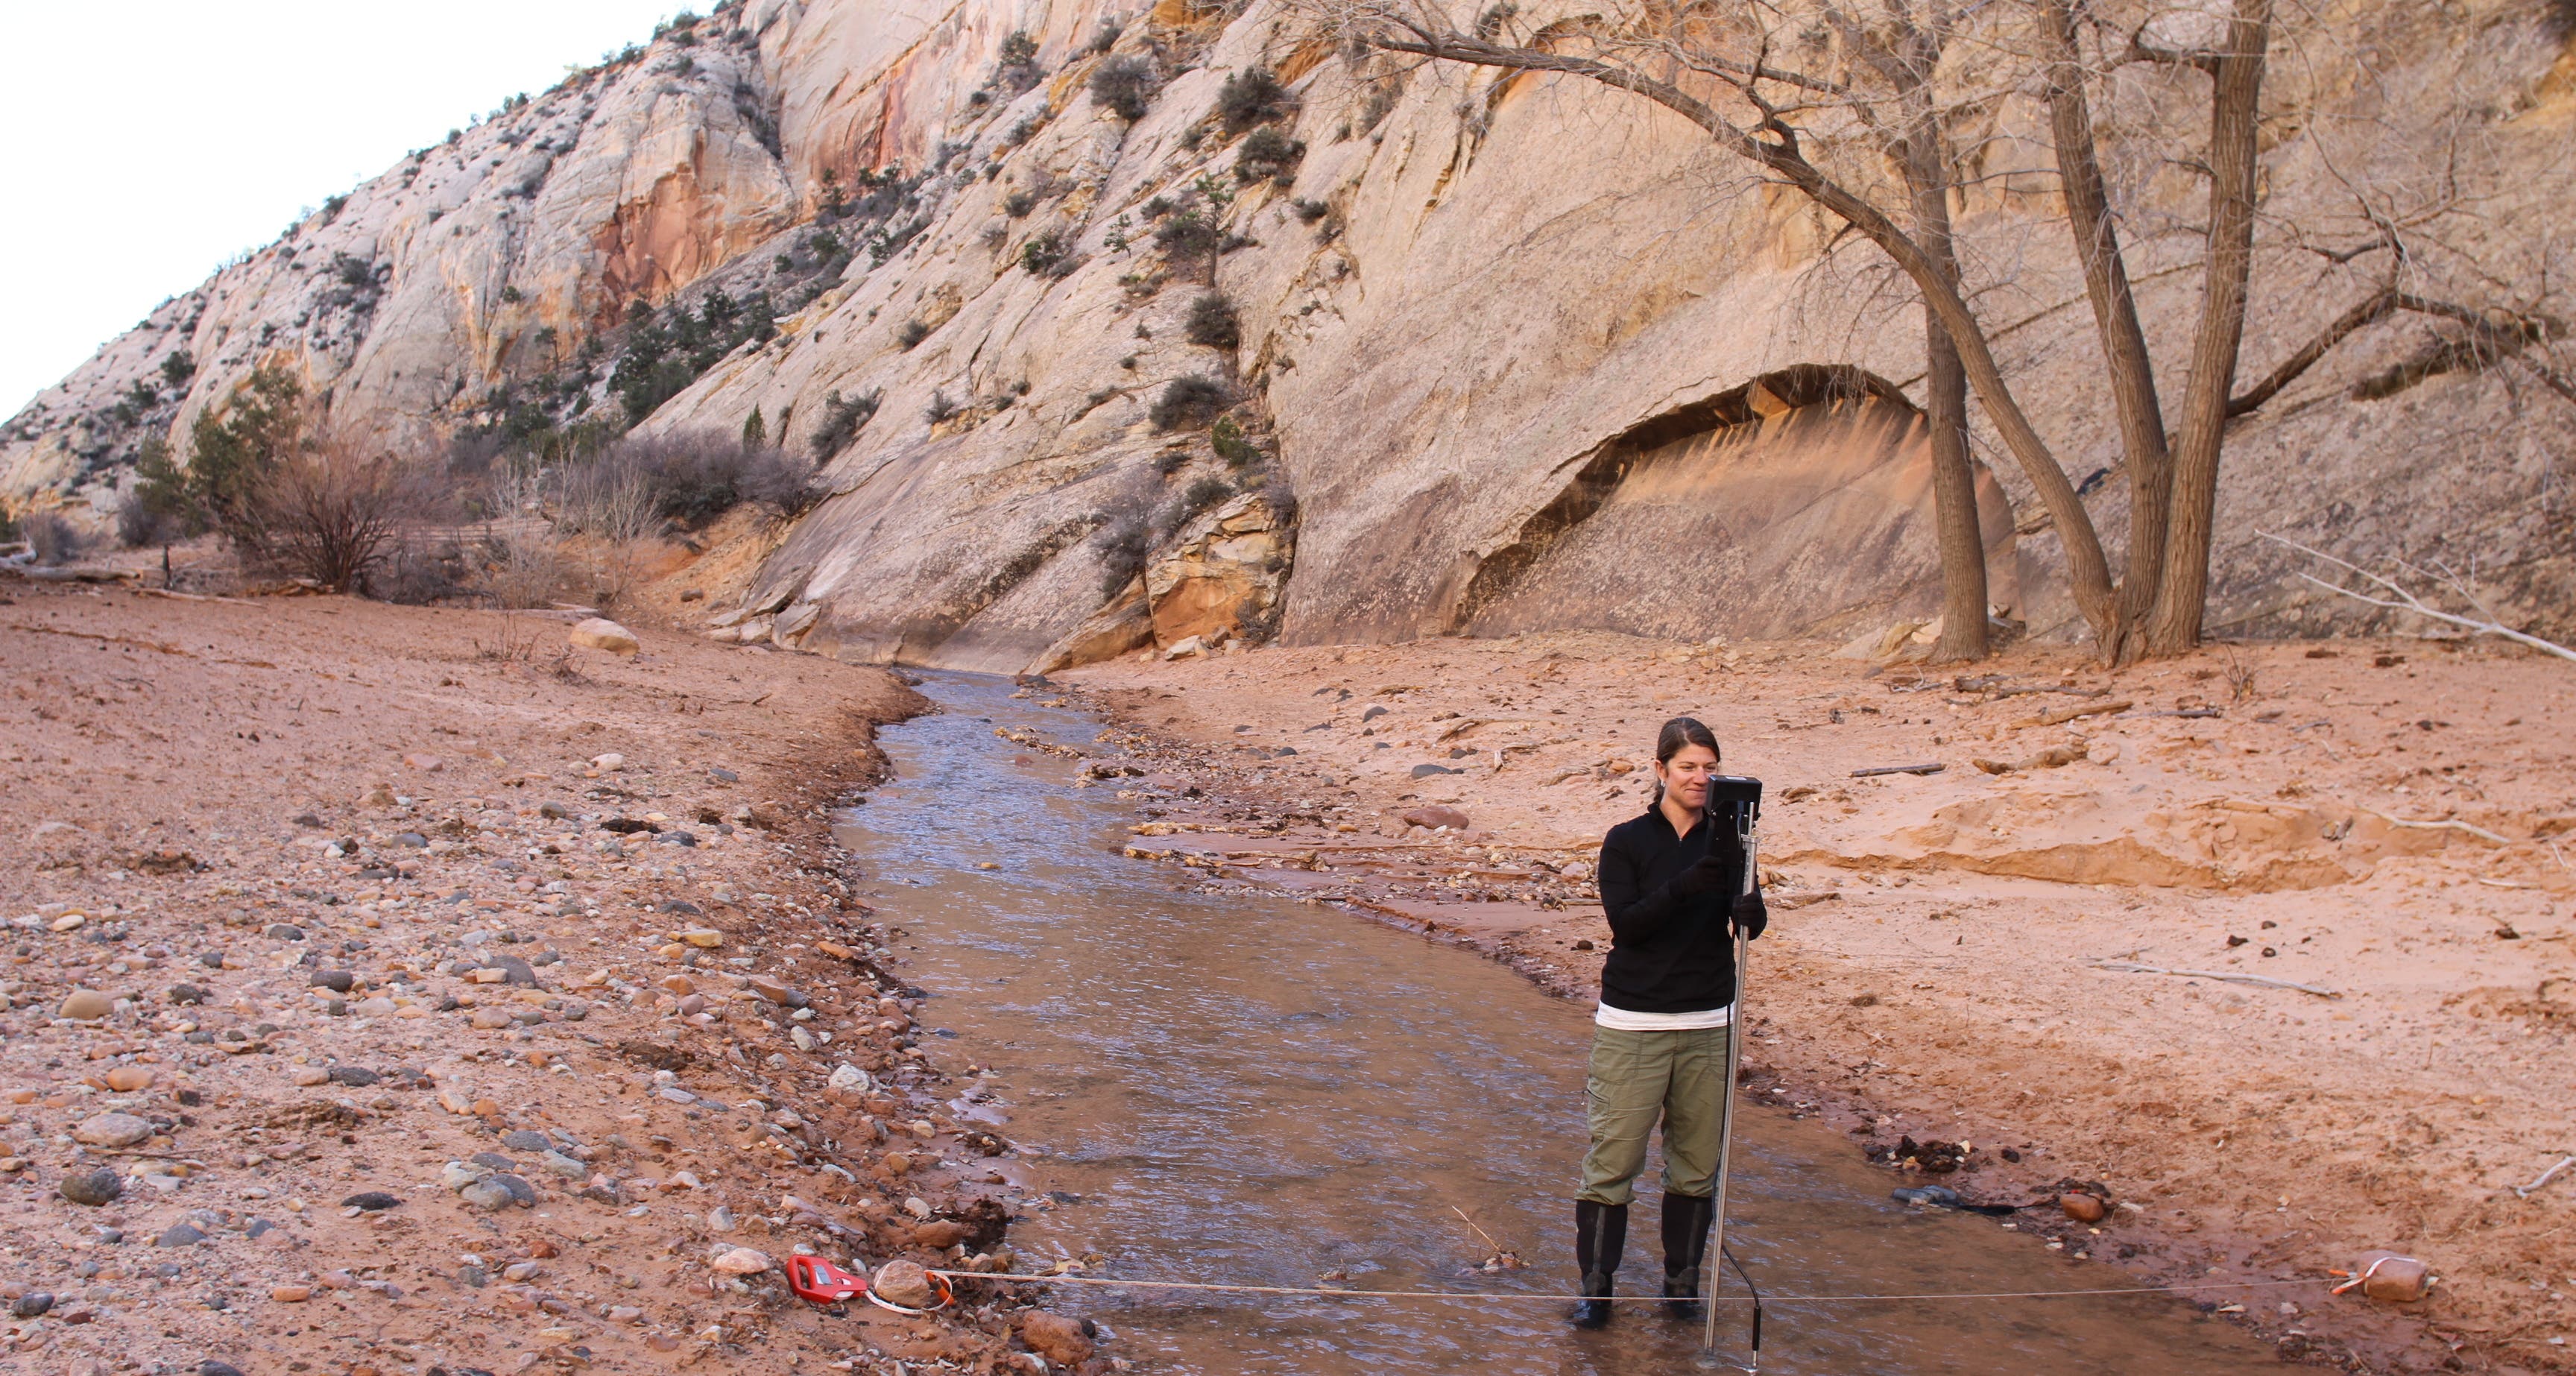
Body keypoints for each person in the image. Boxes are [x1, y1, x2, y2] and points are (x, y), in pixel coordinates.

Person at [1570, 716, 1767, 1329]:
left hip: (1709, 1018)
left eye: (1710, 768)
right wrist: (1686, 885)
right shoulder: (1626, 840)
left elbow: (1748, 929)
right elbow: (1626, 925)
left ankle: (1680, 1288)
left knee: (1696, 1164)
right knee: (1613, 1162)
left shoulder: (1733, 840)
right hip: (1634, 1021)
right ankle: (1596, 1294)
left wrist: (1748, 907)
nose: (1700, 778)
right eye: (1688, 767)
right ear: (1660, 770)